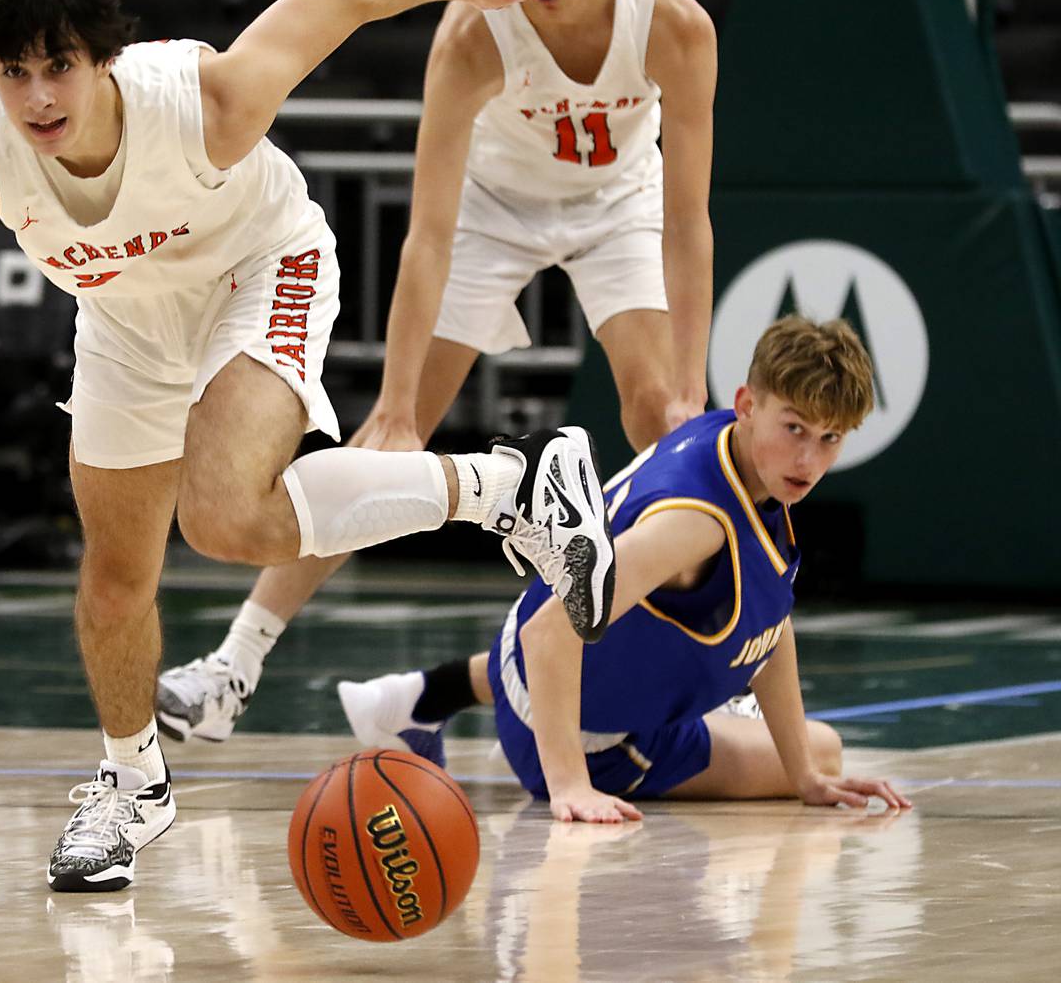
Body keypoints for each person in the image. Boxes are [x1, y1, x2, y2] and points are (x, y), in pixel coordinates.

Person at [0, 0, 617, 893]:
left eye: (59, 67)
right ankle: (132, 786)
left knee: (224, 516)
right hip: (125, 320)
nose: (39, 96)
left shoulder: (202, 104)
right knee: (115, 580)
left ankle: (509, 484)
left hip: (263, 268)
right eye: (14, 71)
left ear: (100, 58)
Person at [157, 0, 717, 744]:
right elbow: (427, 235)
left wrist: (688, 380)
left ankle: (721, 679)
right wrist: (391, 401)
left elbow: (687, 223)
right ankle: (235, 665)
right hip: (490, 212)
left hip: (619, 202)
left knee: (669, 423)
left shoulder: (674, 23)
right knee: (392, 445)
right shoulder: (475, 30)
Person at [339, 316, 913, 822]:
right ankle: (514, 731)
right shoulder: (696, 526)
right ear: (748, 404)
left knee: (801, 739)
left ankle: (424, 695)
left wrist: (803, 777)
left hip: (527, 661)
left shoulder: (725, 443)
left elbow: (770, 621)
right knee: (827, 745)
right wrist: (569, 784)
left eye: (829, 438)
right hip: (591, 738)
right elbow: (550, 634)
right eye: (795, 429)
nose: (808, 459)